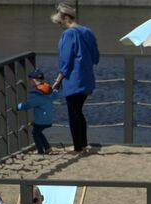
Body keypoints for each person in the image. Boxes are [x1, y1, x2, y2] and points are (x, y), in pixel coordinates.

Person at [50, 4, 98, 155]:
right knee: (78, 111)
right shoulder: (88, 31)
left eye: (59, 22)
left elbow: (66, 59)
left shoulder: (68, 34)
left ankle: (78, 147)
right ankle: (82, 144)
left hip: (73, 78)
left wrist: (58, 79)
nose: (60, 26)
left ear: (65, 19)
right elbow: (96, 57)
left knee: (73, 113)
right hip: (87, 77)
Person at [18, 70, 60, 155]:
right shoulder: (48, 90)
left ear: (34, 80)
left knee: (35, 133)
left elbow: (29, 104)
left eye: (30, 80)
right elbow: (55, 95)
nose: (30, 82)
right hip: (48, 118)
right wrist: (56, 88)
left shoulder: (36, 94)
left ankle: (40, 150)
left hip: (41, 120)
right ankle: (47, 148)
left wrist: (19, 106)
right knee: (38, 132)